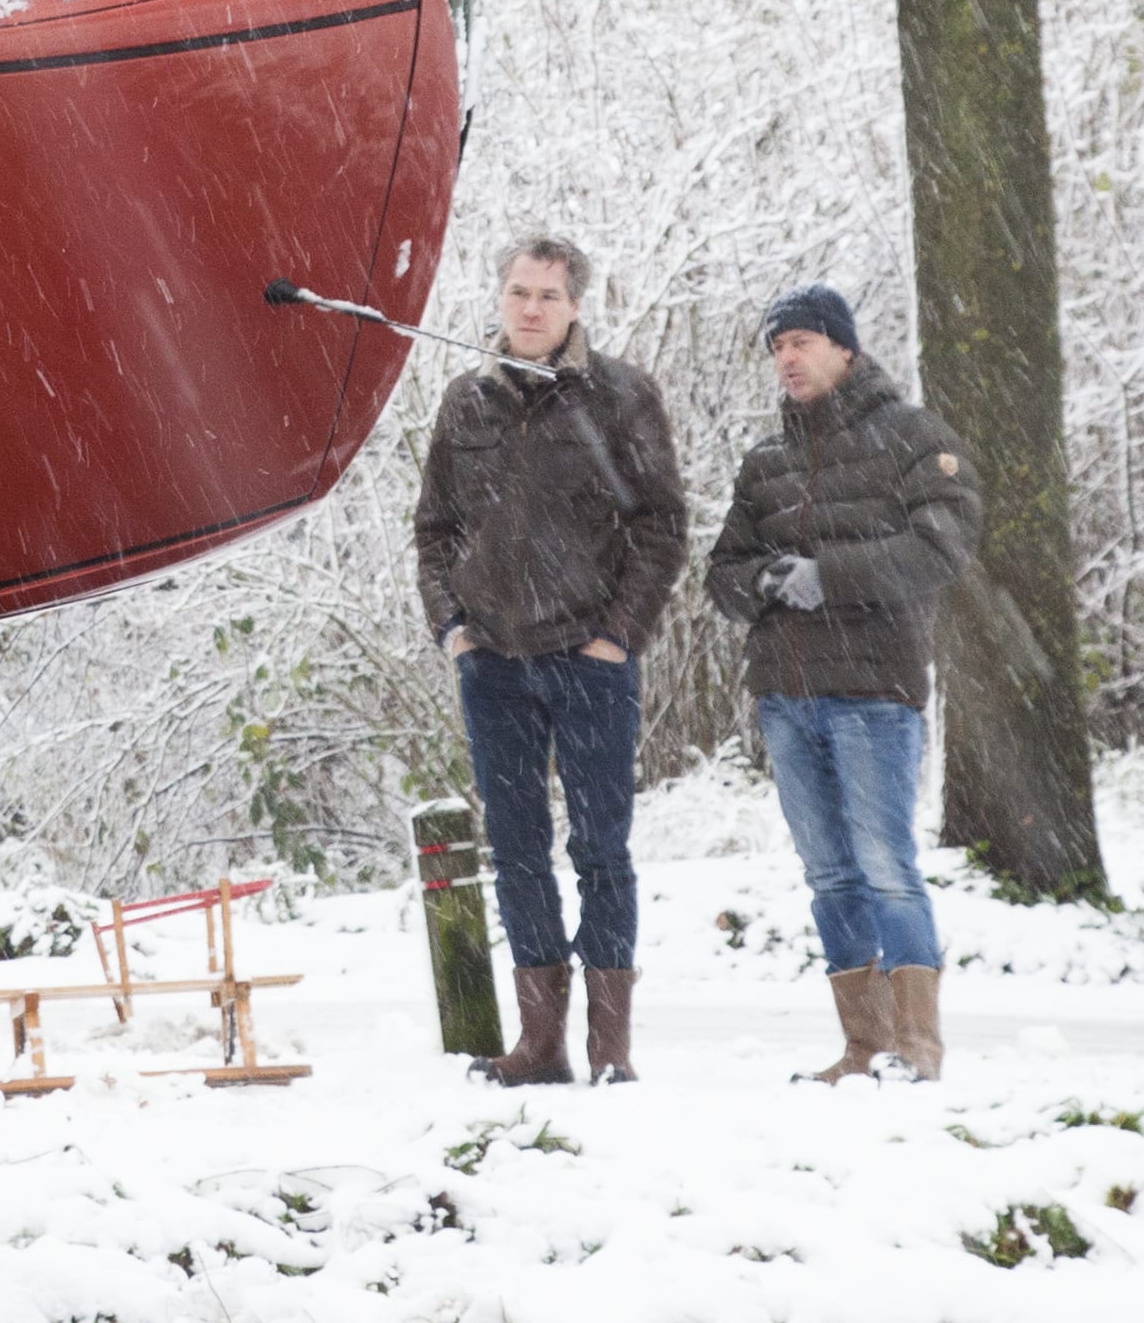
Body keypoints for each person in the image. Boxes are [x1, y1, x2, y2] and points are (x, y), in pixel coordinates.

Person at [411, 236, 688, 1086]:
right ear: (499, 299)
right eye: (518, 292)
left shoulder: (619, 396)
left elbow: (660, 525)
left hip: (589, 658)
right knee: (518, 848)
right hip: (492, 660)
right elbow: (432, 529)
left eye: (548, 295)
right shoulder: (467, 401)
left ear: (574, 306)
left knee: (601, 849)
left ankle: (610, 1049)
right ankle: (540, 1045)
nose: (530, 308)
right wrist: (451, 624)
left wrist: (617, 636)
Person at [705, 283, 978, 1084]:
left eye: (801, 342)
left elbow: (941, 547)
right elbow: (718, 573)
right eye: (776, 347)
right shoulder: (764, 462)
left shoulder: (911, 437)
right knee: (826, 872)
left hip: (871, 691)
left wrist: (832, 575)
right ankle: (862, 1045)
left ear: (843, 349)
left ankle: (915, 1048)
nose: (787, 358)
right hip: (785, 696)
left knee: (884, 864)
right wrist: (765, 579)